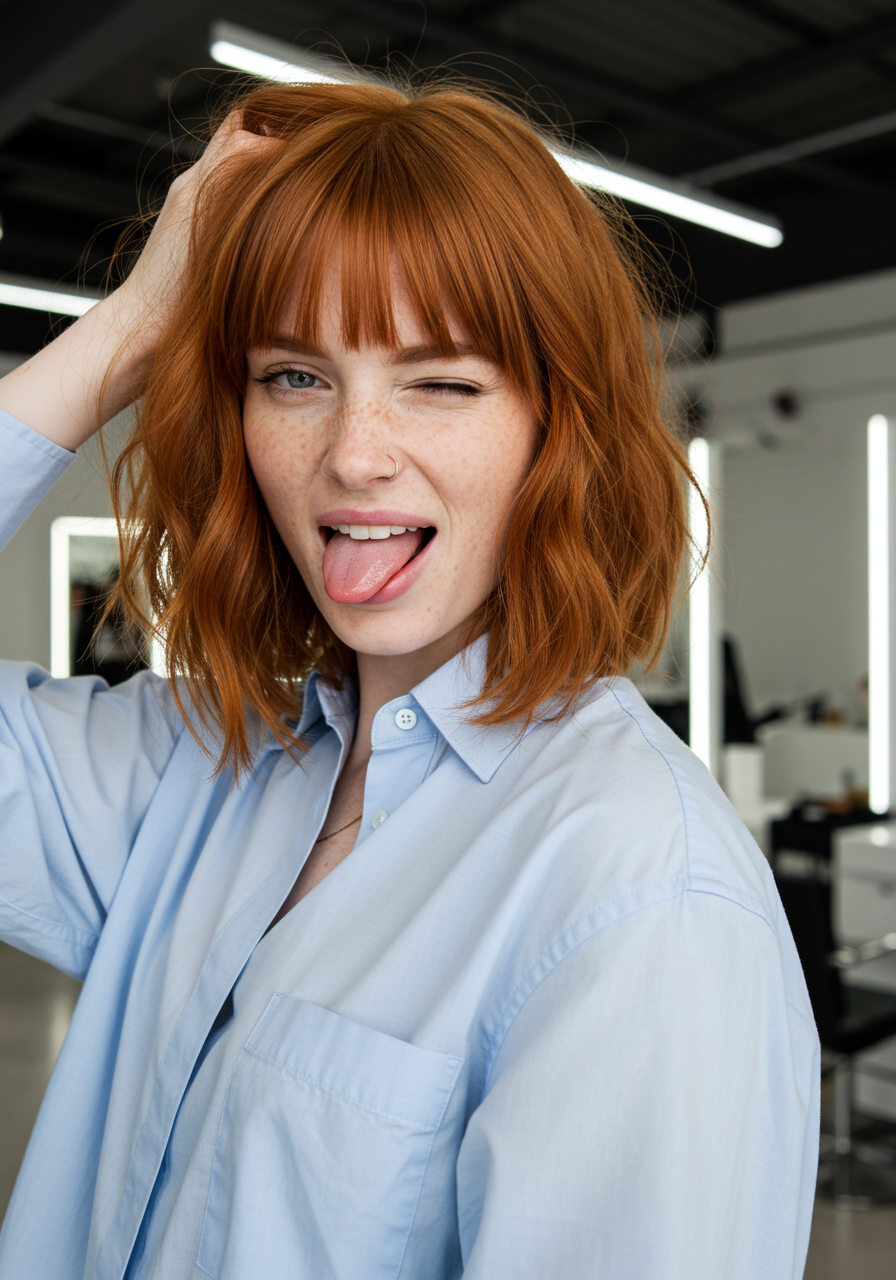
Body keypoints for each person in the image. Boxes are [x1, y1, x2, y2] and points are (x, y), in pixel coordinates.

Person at [0, 78, 819, 1280]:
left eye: (442, 381)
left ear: (560, 427)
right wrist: (135, 323)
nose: (352, 453)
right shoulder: (197, 769)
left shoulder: (640, 898)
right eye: (292, 375)